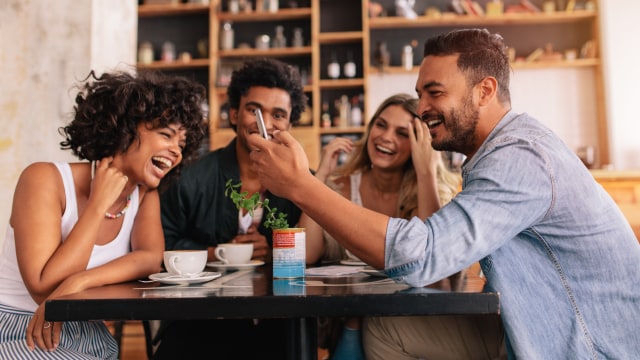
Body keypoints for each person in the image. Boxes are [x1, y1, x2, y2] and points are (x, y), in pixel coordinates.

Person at [246, 28, 640, 359]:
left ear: (485, 90)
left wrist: (302, 184)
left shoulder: (521, 157)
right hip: (542, 320)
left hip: (587, 344)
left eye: (435, 93)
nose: (422, 109)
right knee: (387, 328)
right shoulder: (497, 152)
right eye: (421, 94)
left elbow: (424, 256)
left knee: (387, 327)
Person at [0, 70, 207, 359]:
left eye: (182, 145)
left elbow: (150, 257)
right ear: (124, 129)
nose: (175, 152)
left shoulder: (144, 194)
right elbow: (44, 288)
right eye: (166, 135)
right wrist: (98, 204)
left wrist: (81, 281)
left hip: (91, 335)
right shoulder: (44, 180)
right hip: (23, 329)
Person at [155, 58, 308, 359]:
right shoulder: (190, 177)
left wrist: (276, 251)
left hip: (276, 322)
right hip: (199, 323)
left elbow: (314, 256)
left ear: (289, 125)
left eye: (278, 114)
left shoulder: (304, 186)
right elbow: (160, 244)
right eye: (254, 110)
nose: (265, 122)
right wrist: (219, 253)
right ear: (235, 114)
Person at [301, 93, 463, 360]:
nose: (386, 137)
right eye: (381, 124)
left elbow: (436, 277)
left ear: (418, 144)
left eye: (402, 133)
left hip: (410, 327)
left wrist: (426, 172)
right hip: (348, 324)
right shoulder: (339, 188)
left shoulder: (429, 193)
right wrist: (319, 180)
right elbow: (305, 254)